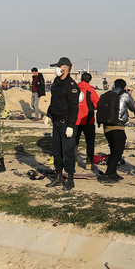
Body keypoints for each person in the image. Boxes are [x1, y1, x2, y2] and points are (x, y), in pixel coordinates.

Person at [45, 57, 80, 190]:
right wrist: (49, 114)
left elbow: (74, 108)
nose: (57, 69)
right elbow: (54, 101)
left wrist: (71, 125)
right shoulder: (56, 82)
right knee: (56, 151)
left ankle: (70, 178)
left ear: (67, 68)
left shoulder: (71, 86)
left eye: (59, 67)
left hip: (66, 123)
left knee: (68, 151)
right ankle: (58, 176)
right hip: (56, 122)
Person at [97, 78, 135, 182]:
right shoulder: (125, 94)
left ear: (114, 85)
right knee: (117, 152)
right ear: (124, 87)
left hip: (106, 127)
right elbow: (134, 107)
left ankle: (113, 173)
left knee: (113, 150)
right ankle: (108, 174)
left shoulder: (106, 94)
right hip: (118, 127)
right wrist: (129, 95)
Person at [75, 72, 100, 171]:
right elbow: (97, 103)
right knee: (90, 142)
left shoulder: (74, 89)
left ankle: (73, 162)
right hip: (88, 120)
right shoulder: (90, 90)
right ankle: (89, 163)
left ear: (81, 79)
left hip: (75, 120)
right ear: (89, 80)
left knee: (74, 142)